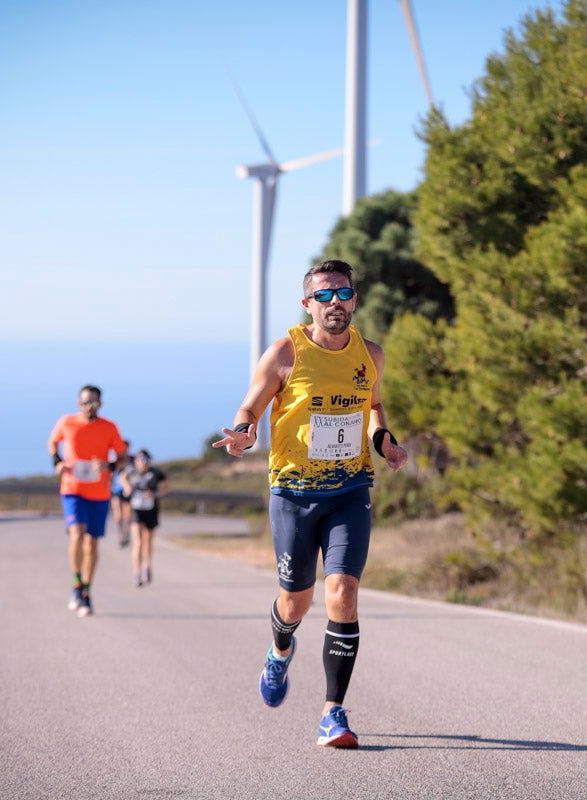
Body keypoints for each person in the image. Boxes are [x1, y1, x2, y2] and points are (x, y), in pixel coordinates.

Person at [212, 259, 408, 749]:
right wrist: (243, 430)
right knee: (296, 600)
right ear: (307, 305)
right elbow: (251, 404)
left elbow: (374, 405)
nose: (334, 303)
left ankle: (332, 713)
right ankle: (279, 652)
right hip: (294, 495)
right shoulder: (285, 352)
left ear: (355, 299)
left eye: (342, 293)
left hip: (349, 490)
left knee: (342, 591)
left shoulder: (372, 354)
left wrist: (383, 439)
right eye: (323, 296)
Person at [48, 385, 128, 618]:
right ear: (78, 404)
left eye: (93, 402)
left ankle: (86, 591)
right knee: (77, 533)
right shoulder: (67, 422)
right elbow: (52, 443)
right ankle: (76, 584)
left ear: (100, 404)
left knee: (92, 544)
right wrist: (57, 462)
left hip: (99, 492)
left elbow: (122, 456)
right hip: (72, 489)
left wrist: (110, 466)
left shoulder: (109, 427)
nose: (89, 406)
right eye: (85, 402)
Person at [121, 449, 169, 587]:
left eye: (146, 461)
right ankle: (136, 573)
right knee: (138, 542)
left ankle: (147, 567)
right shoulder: (131, 471)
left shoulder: (155, 472)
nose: (143, 463)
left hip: (151, 508)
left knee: (148, 541)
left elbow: (166, 487)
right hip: (136, 509)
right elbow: (122, 477)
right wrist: (127, 487)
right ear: (136, 461)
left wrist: (156, 494)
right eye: (140, 460)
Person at [111, 440, 133, 548]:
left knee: (128, 515)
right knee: (118, 515)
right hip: (116, 490)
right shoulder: (114, 460)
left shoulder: (132, 460)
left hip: (129, 490)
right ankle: (120, 535)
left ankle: (126, 532)